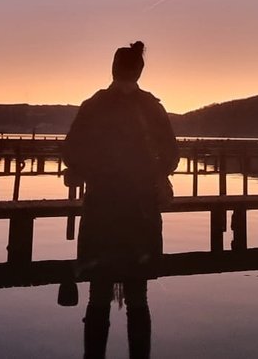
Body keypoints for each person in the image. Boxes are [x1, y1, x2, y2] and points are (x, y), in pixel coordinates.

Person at [62, 40, 179, 359]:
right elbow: (171, 154)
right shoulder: (151, 107)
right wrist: (155, 172)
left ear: (113, 69)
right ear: (139, 71)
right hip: (140, 210)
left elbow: (71, 149)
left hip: (101, 208)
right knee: (138, 297)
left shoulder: (94, 105)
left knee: (98, 295)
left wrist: (86, 170)